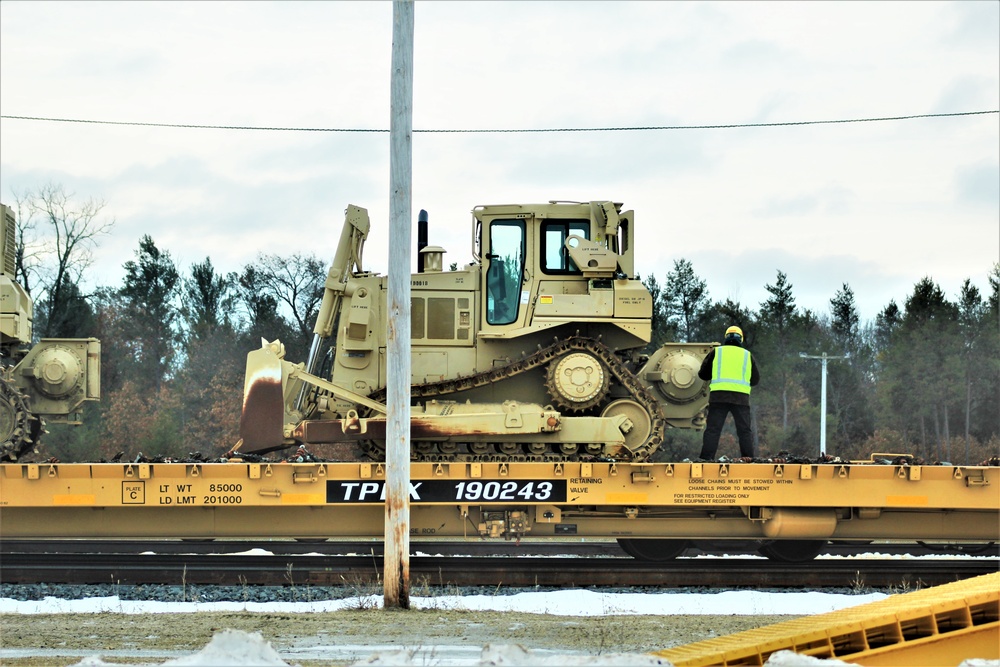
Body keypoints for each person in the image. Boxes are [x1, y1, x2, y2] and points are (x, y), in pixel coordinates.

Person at [697, 325, 760, 460]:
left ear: (726, 338)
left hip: (718, 397)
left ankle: (706, 459)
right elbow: (755, 380)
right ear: (741, 339)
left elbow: (703, 374)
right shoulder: (747, 355)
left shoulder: (716, 352)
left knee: (713, 430)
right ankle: (748, 459)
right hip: (741, 399)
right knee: (744, 431)